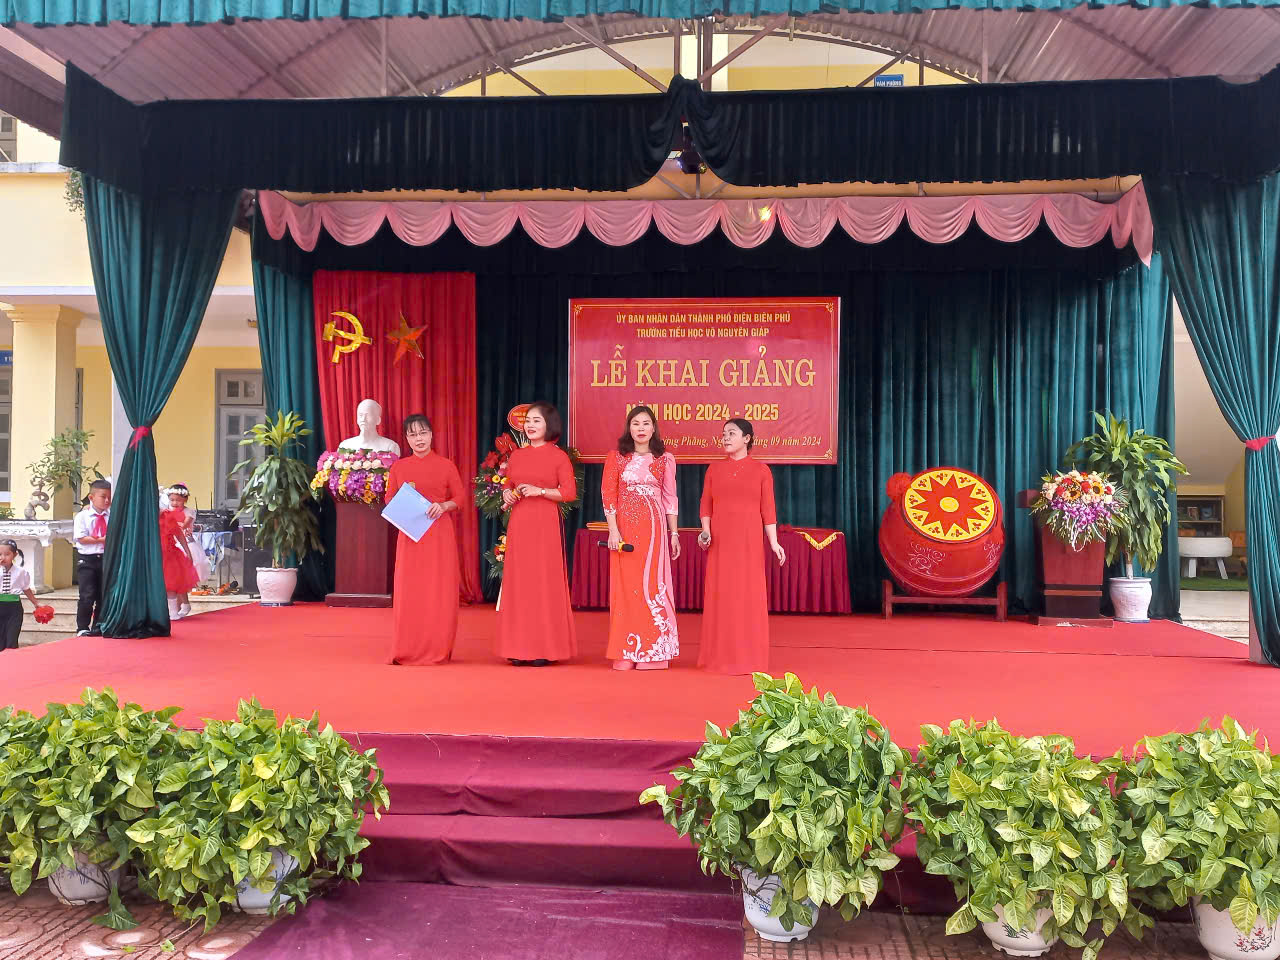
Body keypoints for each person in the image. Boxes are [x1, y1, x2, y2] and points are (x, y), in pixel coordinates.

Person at [697, 418, 787, 675]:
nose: (725, 438)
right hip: (721, 541)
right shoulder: (714, 469)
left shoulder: (761, 470)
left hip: (748, 543)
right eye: (723, 434)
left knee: (747, 596)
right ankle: (719, 655)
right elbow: (706, 505)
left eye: (732, 433)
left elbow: (768, 510)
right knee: (722, 595)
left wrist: (774, 542)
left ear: (747, 438)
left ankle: (749, 658)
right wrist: (706, 531)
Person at [496, 402, 577, 666]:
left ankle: (543, 647)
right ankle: (517, 646)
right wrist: (507, 494)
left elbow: (569, 493)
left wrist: (540, 491)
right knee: (519, 582)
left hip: (545, 523)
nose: (530, 425)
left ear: (549, 424)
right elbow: (509, 484)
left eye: (536, 421)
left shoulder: (558, 457)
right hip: (520, 522)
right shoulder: (517, 456)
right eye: (528, 421)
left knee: (543, 581)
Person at [602, 405, 680, 670]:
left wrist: (674, 533)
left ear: (654, 428)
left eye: (646, 423)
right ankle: (627, 650)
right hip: (624, 530)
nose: (641, 429)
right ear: (629, 428)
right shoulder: (616, 457)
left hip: (654, 530)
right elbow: (608, 494)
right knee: (626, 588)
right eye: (636, 424)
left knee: (652, 586)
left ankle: (654, 652)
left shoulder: (665, 459)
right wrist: (613, 530)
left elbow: (670, 498)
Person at [385, 413, 465, 665]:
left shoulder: (446, 465)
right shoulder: (399, 467)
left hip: (439, 533)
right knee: (410, 590)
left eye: (423, 433)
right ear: (406, 438)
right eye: (412, 434)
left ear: (431, 434)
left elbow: (460, 498)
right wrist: (405, 503)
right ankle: (407, 647)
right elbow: (389, 498)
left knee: (438, 589)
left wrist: (443, 506)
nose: (418, 439)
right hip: (410, 535)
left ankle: (437, 647)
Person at [73, 479, 111, 636]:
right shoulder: (82, 516)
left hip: (105, 559)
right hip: (87, 559)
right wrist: (102, 540)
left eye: (109, 497)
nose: (107, 500)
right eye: (103, 497)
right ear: (91, 497)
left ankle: (98, 625)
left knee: (103, 594)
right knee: (87, 595)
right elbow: (81, 538)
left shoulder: (111, 516)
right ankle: (82, 627)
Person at [164, 483, 208, 616]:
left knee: (181, 576)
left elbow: (183, 526)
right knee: (172, 578)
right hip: (169, 544)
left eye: (178, 500)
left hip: (185, 543)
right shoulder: (166, 511)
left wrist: (169, 521)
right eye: (172, 500)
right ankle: (177, 607)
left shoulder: (189, 512)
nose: (174, 503)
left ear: (185, 499)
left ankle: (181, 605)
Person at [159, 493, 199, 620]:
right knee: (163, 584)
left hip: (170, 554)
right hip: (155, 554)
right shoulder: (145, 518)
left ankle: (173, 611)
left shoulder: (167, 516)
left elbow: (179, 534)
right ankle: (169, 609)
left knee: (171, 582)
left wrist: (187, 551)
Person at [0, 540, 39, 651]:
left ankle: (12, 658)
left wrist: (36, 603)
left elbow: (26, 589)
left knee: (12, 638)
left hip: (14, 609)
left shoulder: (21, 572)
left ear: (15, 554)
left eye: (7, 554)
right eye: (0, 554)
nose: (3, 557)